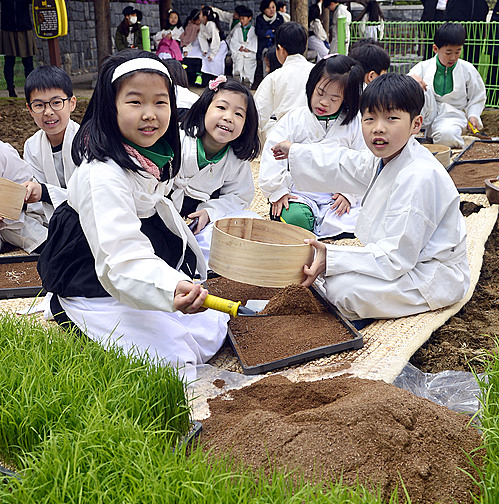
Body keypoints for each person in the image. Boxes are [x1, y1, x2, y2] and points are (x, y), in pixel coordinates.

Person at [37, 50, 228, 380]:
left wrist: (172, 284)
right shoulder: (101, 175)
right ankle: (66, 308)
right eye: (135, 102)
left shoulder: (151, 154)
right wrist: (170, 286)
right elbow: (120, 255)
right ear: (110, 107)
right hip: (93, 274)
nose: (149, 114)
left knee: (211, 328)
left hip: (136, 260)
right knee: (174, 359)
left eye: (160, 102)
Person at [271, 73, 469, 321]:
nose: (378, 128)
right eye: (370, 118)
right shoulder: (388, 157)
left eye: (391, 118)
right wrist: (295, 151)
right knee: (331, 277)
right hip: (406, 261)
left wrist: (332, 257)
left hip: (430, 272)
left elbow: (397, 257)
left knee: (343, 290)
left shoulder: (420, 175)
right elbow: (343, 164)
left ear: (416, 124)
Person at [260, 54, 365, 237]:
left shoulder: (355, 125)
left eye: (334, 99)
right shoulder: (295, 118)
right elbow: (272, 155)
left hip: (335, 197)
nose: (324, 102)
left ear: (346, 99)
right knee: (296, 219)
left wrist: (349, 194)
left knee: (365, 220)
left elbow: (363, 160)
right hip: (299, 194)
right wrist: (278, 191)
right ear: (311, 86)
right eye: (320, 93)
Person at [171, 75, 260, 261]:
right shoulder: (178, 140)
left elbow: (238, 196)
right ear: (204, 109)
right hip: (164, 212)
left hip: (198, 219)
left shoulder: (235, 160)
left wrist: (209, 212)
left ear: (245, 126)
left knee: (252, 220)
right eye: (221, 107)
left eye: (238, 114)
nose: (228, 118)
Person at [408, 22, 486, 147]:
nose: (453, 57)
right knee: (415, 84)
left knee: (447, 136)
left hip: (452, 116)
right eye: (448, 53)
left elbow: (477, 96)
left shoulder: (467, 69)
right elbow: (403, 88)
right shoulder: (423, 67)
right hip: (425, 115)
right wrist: (412, 80)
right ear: (435, 49)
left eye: (458, 52)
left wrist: (473, 115)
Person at [22, 65, 79, 228]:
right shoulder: (32, 146)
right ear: (30, 109)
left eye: (56, 102)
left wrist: (45, 192)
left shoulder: (87, 141)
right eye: (39, 105)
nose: (48, 112)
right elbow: (35, 205)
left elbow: (91, 195)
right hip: (49, 220)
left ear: (71, 103)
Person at [254, 22, 313, 140]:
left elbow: (258, 115)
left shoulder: (275, 77)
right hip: (314, 135)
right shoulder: (317, 72)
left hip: (284, 137)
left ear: (280, 49)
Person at [0, 140, 45, 251]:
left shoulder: (4, 152)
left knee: (47, 243)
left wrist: (5, 209)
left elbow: (24, 188)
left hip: (17, 215)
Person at [0, 0, 36, 98]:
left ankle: (30, 89)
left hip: (24, 28)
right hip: (8, 28)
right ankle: (10, 89)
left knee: (28, 62)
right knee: (9, 61)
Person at [198, 7, 228, 86]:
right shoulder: (202, 25)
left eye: (200, 14)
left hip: (220, 45)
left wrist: (212, 54)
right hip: (211, 45)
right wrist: (205, 49)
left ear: (205, 17)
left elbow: (216, 40)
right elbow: (201, 37)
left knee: (216, 60)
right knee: (205, 59)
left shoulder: (211, 25)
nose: (199, 16)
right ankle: (207, 80)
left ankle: (219, 80)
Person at [229, 6, 258, 88]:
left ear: (249, 18)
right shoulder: (237, 29)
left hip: (249, 51)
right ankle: (237, 77)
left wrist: (248, 48)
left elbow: (254, 41)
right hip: (239, 50)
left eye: (243, 18)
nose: (241, 21)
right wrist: (239, 47)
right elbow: (233, 41)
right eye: (240, 19)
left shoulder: (253, 30)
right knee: (239, 59)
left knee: (249, 62)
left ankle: (248, 80)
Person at [180, 10, 203, 86]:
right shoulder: (190, 27)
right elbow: (186, 40)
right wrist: (185, 49)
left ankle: (199, 77)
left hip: (200, 48)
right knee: (187, 60)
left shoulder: (203, 27)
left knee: (200, 59)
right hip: (190, 47)